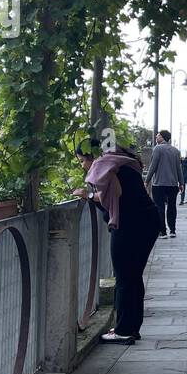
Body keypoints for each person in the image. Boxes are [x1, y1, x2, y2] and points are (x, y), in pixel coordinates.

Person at [73, 138, 160, 344]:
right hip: (146, 221)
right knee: (133, 277)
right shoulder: (122, 162)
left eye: (82, 161)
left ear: (92, 156)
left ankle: (124, 330)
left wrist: (87, 195)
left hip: (130, 225)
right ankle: (130, 327)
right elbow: (116, 196)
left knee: (125, 278)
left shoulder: (106, 165)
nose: (83, 166)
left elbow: (115, 196)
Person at [145, 129, 183, 238]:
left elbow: (153, 166)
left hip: (159, 184)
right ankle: (172, 230)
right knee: (172, 207)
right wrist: (181, 182)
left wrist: (147, 180)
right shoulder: (176, 151)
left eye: (158, 136)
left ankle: (163, 231)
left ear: (162, 137)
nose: (156, 137)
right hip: (173, 184)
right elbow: (179, 168)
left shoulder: (157, 149)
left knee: (159, 207)